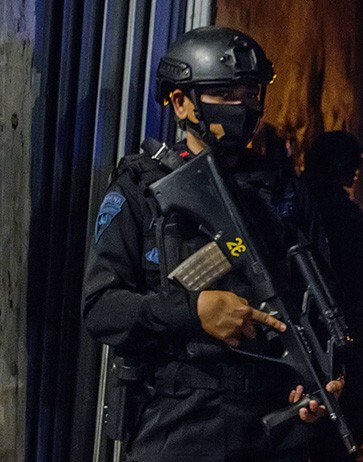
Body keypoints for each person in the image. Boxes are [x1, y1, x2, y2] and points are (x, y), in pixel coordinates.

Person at [82, 26, 342, 461]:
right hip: (180, 419)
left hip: (275, 424)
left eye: (252, 92)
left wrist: (320, 375)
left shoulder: (283, 191)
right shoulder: (142, 189)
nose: (243, 105)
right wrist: (193, 311)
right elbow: (102, 309)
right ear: (180, 101)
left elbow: (321, 295)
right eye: (225, 92)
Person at [302, 131, 363, 461]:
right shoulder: (327, 209)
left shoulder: (322, 203)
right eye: (352, 163)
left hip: (342, 316)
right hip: (336, 318)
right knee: (350, 400)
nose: (357, 171)